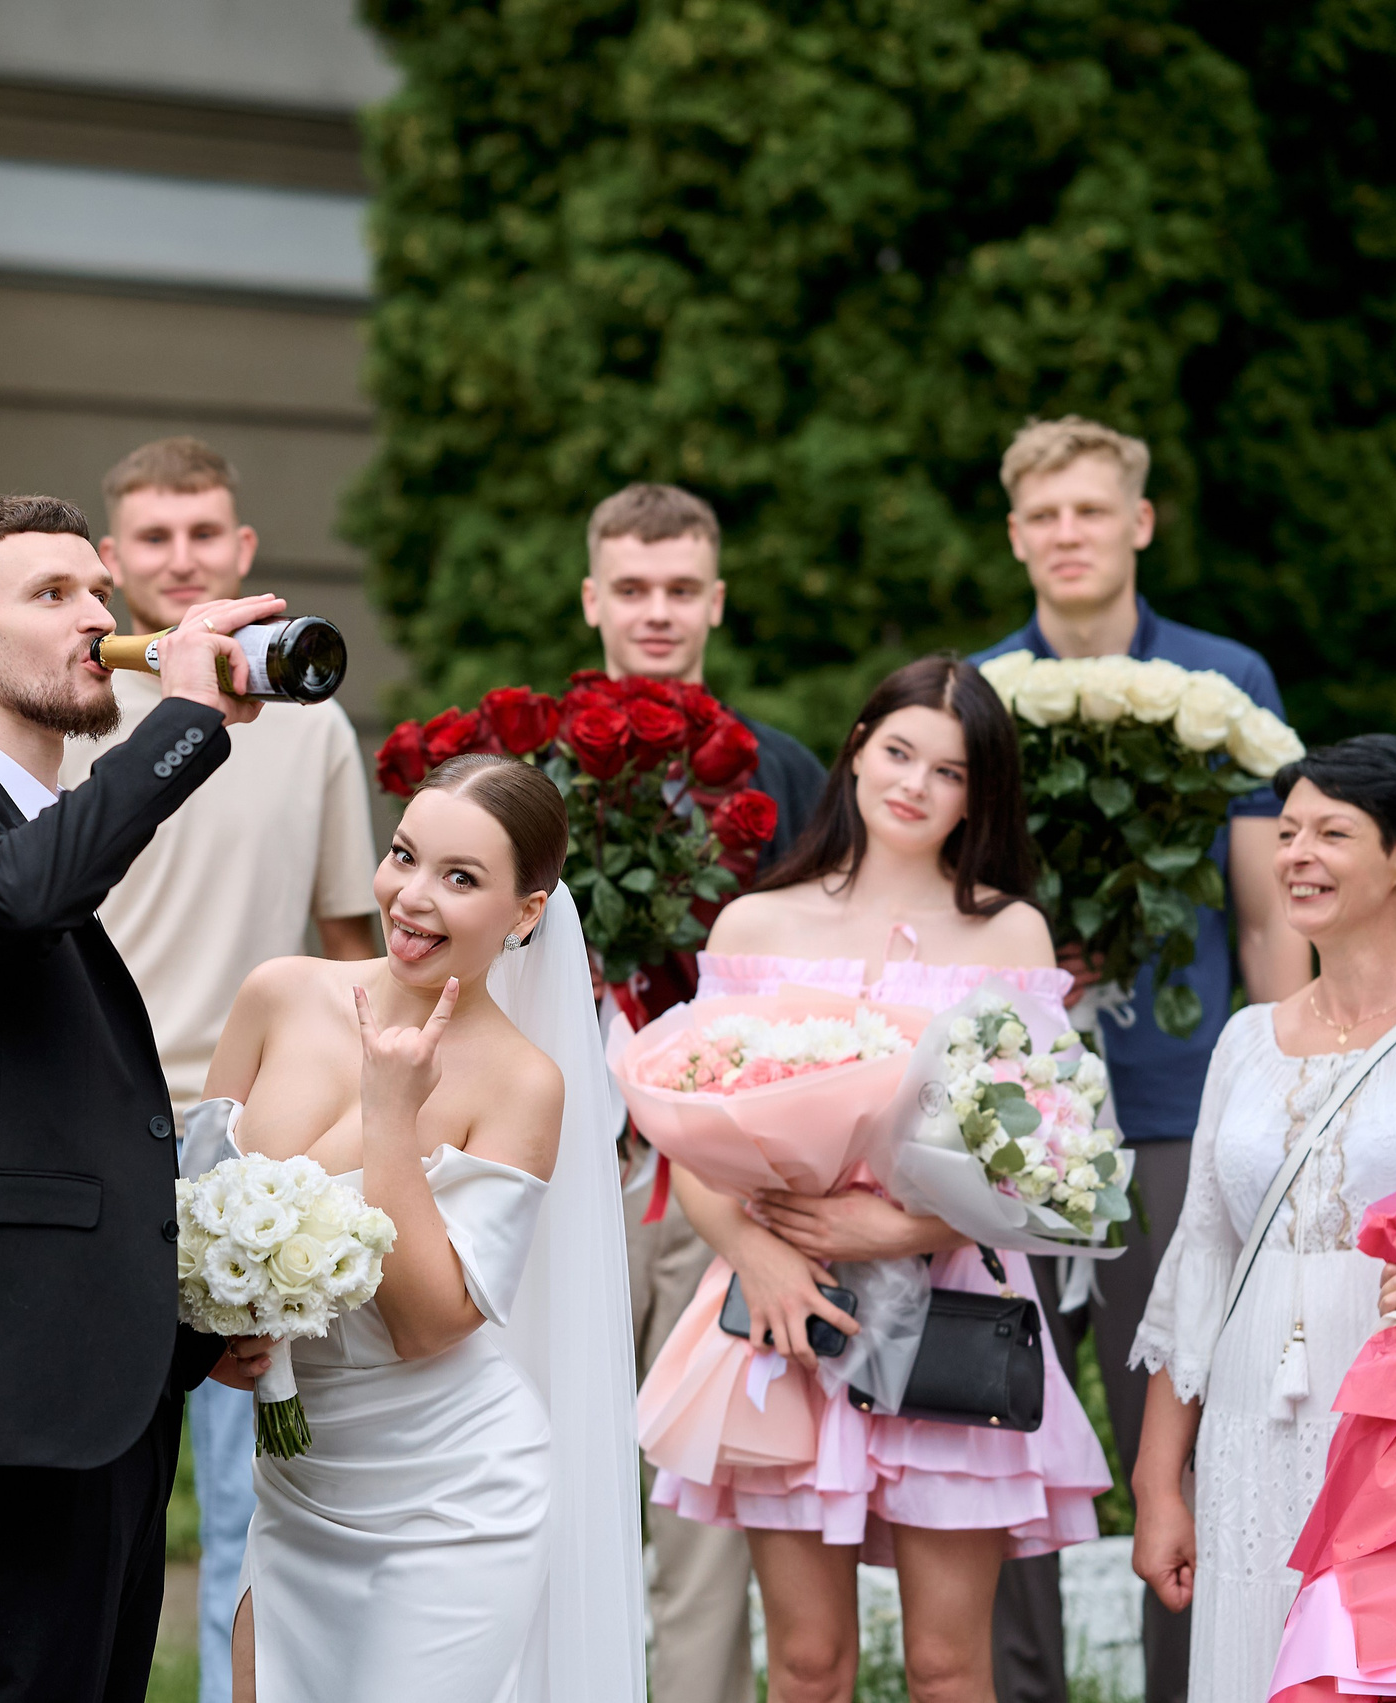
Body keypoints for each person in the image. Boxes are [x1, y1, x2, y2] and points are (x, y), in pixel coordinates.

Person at [0, 493, 282, 1703]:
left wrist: (187, 1327)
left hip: (100, 1416)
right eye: (52, 595)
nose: (97, 616)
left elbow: (65, 1136)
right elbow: (18, 893)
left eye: (97, 589)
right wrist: (187, 718)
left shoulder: (42, 833)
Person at [642, 657, 1114, 1703]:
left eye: (948, 770)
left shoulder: (1010, 933)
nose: (914, 784)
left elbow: (1047, 1170)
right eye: (898, 751)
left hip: (952, 1306)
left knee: (948, 1667)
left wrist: (894, 1232)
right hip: (786, 1313)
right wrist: (756, 1253)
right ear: (856, 747)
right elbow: (696, 1129)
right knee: (807, 1666)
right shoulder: (756, 924)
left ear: (978, 792)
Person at [970, 416, 1310, 1703]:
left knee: (1188, 1427)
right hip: (1001, 1118)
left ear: (1139, 523)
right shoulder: (977, 692)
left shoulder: (1227, 683)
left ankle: (1192, 1684)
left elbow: (1270, 909)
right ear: (1016, 535)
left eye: (1090, 512)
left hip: (1176, 1105)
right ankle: (1018, 1689)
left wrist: (1287, 1085)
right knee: (995, 1418)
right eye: (1044, 516)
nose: (1068, 535)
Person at [1127, 734, 1396, 1700]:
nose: (1296, 854)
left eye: (1333, 831)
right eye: (1287, 831)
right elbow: (1200, 1265)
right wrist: (1158, 1483)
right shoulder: (1245, 1040)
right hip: (1254, 1420)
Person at [60, 436, 382, 1703]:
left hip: (263, 1142)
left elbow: (354, 937)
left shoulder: (309, 717)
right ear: (111, 556)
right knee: (106, 1484)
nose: (182, 555)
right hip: (103, 1123)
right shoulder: (77, 712)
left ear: (243, 552)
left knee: (261, 1488)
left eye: (204, 533)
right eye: (154, 535)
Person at [213, 754, 643, 1701]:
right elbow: (197, 1220)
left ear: (526, 912)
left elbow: (430, 1324)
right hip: (300, 1481)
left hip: (454, 1495)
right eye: (405, 855)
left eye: (461, 878)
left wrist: (390, 1116)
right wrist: (215, 1339)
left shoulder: (525, 1081)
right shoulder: (280, 991)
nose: (412, 897)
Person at [582, 481, 828, 1703]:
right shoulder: (535, 765)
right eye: (633, 588)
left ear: (716, 601)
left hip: (718, 1183)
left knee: (700, 1503)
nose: (658, 612)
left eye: (681, 590)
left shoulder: (778, 769)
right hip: (565, 1159)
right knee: (560, 1477)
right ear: (592, 600)